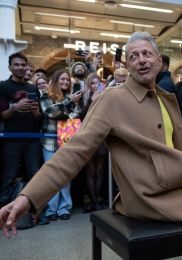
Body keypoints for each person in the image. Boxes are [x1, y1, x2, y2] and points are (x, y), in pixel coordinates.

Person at [0, 32, 182, 260]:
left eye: (146, 54)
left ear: (158, 62)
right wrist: (28, 196)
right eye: (133, 56)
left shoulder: (165, 98)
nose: (141, 60)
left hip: (172, 187)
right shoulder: (111, 100)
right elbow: (73, 152)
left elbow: (167, 147)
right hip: (147, 197)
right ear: (127, 65)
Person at [39, 69, 82, 221]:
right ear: (56, 80)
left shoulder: (73, 96)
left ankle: (64, 208)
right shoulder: (46, 95)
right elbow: (49, 111)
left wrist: (66, 107)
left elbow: (76, 114)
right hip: (50, 142)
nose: (65, 82)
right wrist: (68, 102)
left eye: (67, 80)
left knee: (65, 176)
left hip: (67, 142)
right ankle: (51, 209)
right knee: (51, 176)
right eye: (62, 79)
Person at [0, 53, 41, 206]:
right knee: (9, 175)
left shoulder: (32, 88)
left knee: (34, 174)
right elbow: (3, 116)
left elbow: (38, 118)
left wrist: (36, 112)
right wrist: (16, 107)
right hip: (11, 139)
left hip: (33, 139)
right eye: (16, 65)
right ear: (10, 67)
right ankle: (3, 210)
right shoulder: (3, 86)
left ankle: (35, 210)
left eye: (23, 65)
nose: (20, 68)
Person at [81, 73, 107, 212]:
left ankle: (96, 199)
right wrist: (92, 100)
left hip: (102, 137)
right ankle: (92, 200)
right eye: (92, 83)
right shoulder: (84, 97)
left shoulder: (105, 97)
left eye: (97, 83)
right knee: (90, 171)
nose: (95, 86)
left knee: (100, 171)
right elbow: (81, 115)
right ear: (88, 85)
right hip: (88, 137)